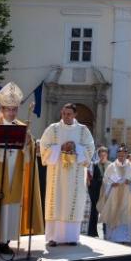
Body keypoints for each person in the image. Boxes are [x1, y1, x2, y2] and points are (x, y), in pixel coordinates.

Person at [0, 83, 43, 255]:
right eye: (8, 109)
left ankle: (5, 241)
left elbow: (30, 152)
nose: (12, 113)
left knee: (11, 207)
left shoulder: (22, 128)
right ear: (2, 110)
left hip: (15, 174)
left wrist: (28, 143)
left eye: (14, 109)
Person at [40, 103, 96, 246]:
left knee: (72, 202)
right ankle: (53, 237)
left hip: (75, 176)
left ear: (75, 115)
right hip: (56, 175)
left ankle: (71, 238)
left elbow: (90, 149)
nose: (66, 116)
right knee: (56, 202)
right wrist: (60, 147)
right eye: (64, 113)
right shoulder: (53, 129)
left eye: (69, 114)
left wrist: (76, 147)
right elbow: (44, 147)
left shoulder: (83, 131)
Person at [97, 146, 131, 243]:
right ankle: (112, 237)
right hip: (113, 195)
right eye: (119, 155)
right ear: (117, 155)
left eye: (123, 155)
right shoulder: (111, 166)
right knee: (113, 212)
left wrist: (130, 182)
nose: (121, 157)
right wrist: (111, 184)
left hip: (127, 196)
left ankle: (125, 238)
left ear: (126, 155)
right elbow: (106, 180)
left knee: (125, 214)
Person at [87, 147, 109, 237]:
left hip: (107, 193)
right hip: (96, 192)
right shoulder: (94, 165)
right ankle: (92, 232)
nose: (102, 157)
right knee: (94, 213)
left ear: (107, 155)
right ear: (98, 155)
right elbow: (91, 179)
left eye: (104, 155)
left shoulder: (111, 165)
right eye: (101, 155)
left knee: (106, 213)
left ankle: (106, 232)